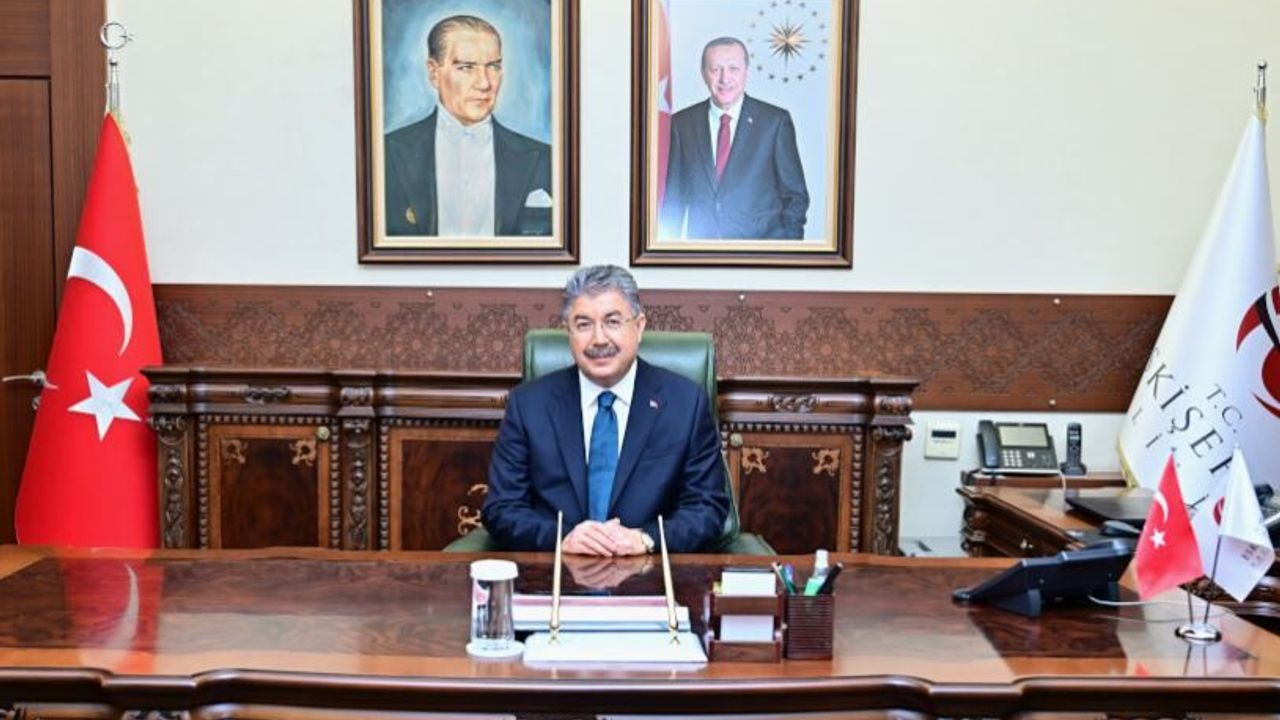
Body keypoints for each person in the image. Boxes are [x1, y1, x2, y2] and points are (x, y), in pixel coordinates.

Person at [482, 265, 729, 554]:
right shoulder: (528, 405)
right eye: (583, 325)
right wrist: (563, 538)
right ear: (568, 331)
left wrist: (645, 539)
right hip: (557, 569)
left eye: (612, 322)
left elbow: (707, 508)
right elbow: (502, 508)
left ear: (639, 326)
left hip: (649, 571)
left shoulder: (686, 403)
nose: (599, 339)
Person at [384, 15, 552, 237]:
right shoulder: (387, 152)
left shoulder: (544, 158)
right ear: (434, 73)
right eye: (466, 67)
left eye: (493, 66)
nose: (484, 83)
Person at [659, 36, 808, 240]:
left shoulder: (775, 123)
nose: (724, 78)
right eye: (715, 69)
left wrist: (785, 251)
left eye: (733, 69)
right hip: (702, 252)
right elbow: (673, 201)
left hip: (761, 251)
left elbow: (795, 197)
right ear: (703, 74)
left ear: (746, 71)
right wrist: (668, 253)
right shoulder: (681, 124)